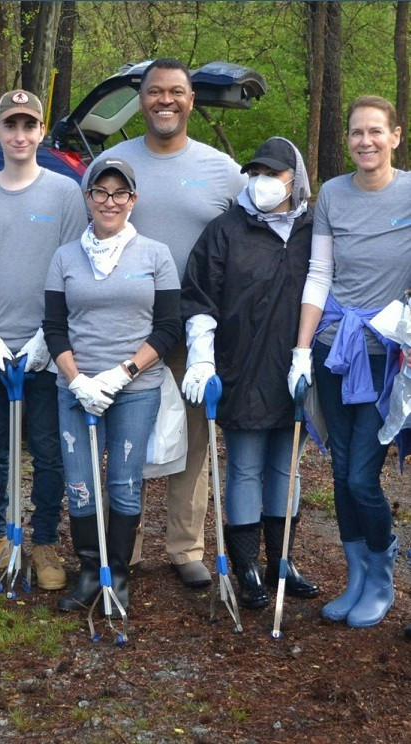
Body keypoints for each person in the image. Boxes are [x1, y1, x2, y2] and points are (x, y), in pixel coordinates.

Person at [88, 58, 244, 589]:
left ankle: (186, 546)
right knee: (119, 439)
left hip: (194, 328)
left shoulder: (222, 169)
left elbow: (251, 235)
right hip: (120, 329)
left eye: (176, 92)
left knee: (193, 439)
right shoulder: (112, 160)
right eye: (155, 92)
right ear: (142, 99)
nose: (165, 101)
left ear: (191, 100)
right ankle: (118, 545)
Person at [0, 89, 88, 590]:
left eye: (29, 126)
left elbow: (71, 269)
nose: (20, 135)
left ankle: (46, 541)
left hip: (47, 349)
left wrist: (46, 339)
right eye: (11, 125)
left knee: (49, 449)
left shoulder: (64, 193)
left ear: (39, 132)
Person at [181, 137, 319, 609]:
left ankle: (282, 560)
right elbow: (199, 295)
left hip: (297, 364)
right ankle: (247, 566)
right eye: (256, 173)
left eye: (274, 174)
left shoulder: (314, 229)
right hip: (241, 367)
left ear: (295, 179)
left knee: (286, 466)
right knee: (244, 467)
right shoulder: (226, 230)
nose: (263, 183)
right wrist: (202, 355)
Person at [290, 95, 411, 628]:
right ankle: (356, 576)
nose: (365, 141)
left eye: (375, 132)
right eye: (356, 133)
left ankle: (382, 575)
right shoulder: (333, 195)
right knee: (340, 471)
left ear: (395, 136)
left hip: (386, 356)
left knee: (363, 476)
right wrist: (301, 349)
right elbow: (320, 274)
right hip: (335, 350)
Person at [43, 156, 181, 613]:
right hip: (76, 389)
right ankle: (88, 570)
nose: (110, 201)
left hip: (134, 389)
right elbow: (54, 327)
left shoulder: (156, 254)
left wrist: (122, 373)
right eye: (100, 192)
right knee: (81, 482)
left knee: (123, 482)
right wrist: (77, 379)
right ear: (87, 198)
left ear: (133, 200)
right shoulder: (64, 255)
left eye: (120, 193)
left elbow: (167, 328)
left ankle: (117, 574)